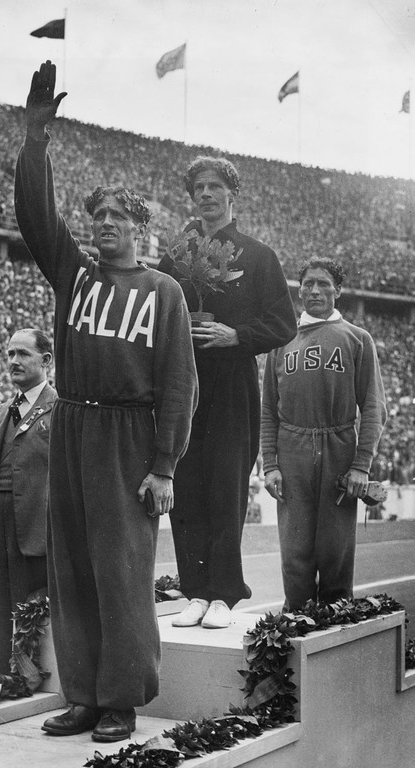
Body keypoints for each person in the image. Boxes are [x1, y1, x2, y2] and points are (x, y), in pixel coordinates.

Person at [14, 61, 198, 742]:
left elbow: (180, 381)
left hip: (128, 436)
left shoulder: (164, 292)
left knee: (121, 571)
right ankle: (85, 693)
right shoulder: (75, 276)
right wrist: (36, 141)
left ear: (141, 228)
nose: (106, 226)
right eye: (99, 217)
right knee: (73, 567)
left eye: (119, 217)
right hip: (73, 423)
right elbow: (35, 217)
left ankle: (123, 697)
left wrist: (166, 465)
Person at [157, 156, 296, 629]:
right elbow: (155, 311)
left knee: (226, 486)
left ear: (232, 194)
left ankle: (223, 593)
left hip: (234, 384)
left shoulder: (258, 256)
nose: (206, 194)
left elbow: (284, 323)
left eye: (215, 186)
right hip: (184, 383)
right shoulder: (175, 256)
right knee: (187, 484)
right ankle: (195, 591)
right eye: (199, 187)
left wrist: (236, 335)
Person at [261, 258, 387, 610]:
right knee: (295, 550)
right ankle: (297, 626)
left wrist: (361, 466)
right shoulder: (280, 341)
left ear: (338, 291)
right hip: (291, 448)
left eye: (323, 284)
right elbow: (268, 410)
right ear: (298, 290)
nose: (314, 290)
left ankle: (334, 632)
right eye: (307, 284)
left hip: (339, 447)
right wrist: (269, 464)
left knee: (335, 551)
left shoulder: (357, 339)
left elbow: (374, 408)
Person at [0, 328, 57, 681]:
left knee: (30, 613)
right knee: (0, 614)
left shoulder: (61, 408)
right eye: (9, 355)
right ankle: (0, 682)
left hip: (37, 526)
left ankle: (30, 684)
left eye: (22, 354)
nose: (13, 362)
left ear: (46, 360)